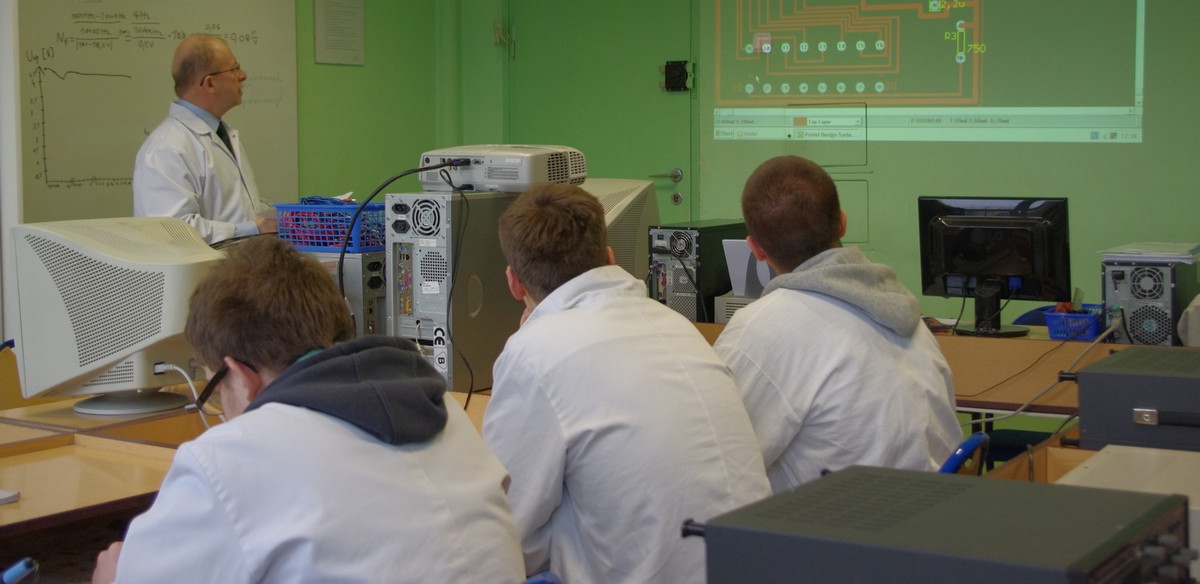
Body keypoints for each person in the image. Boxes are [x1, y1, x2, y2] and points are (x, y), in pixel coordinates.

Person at [91, 235, 525, 584]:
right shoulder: (442, 409)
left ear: (239, 375)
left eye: (216, 389)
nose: (221, 408)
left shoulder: (229, 458)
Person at [483, 183, 772, 584]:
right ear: (609, 258)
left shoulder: (534, 352)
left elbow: (502, 531)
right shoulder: (676, 324)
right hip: (754, 566)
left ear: (514, 283)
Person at [714, 155, 961, 492]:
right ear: (842, 223)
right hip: (934, 511)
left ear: (755, 248)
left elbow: (718, 462)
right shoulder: (904, 311)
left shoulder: (759, 330)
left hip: (848, 520)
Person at [133, 33, 275, 244]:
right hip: (204, 266)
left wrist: (284, 217)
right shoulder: (167, 147)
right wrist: (252, 228)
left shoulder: (222, 134)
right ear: (209, 84)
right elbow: (172, 231)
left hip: (238, 261)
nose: (243, 75)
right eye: (235, 69)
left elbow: (234, 207)